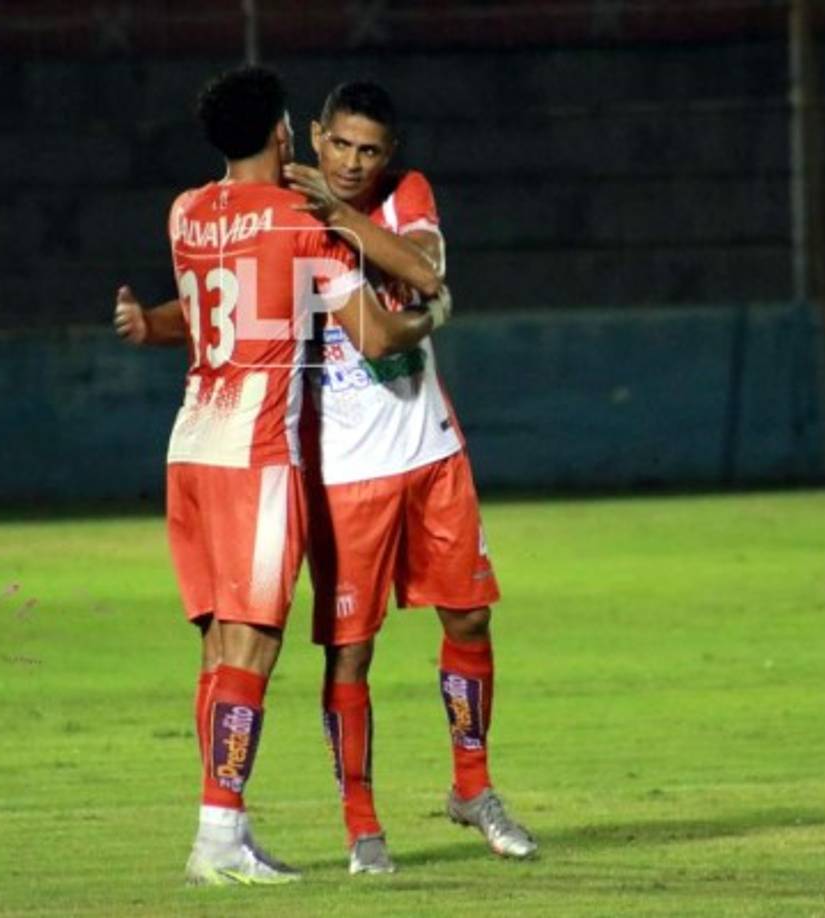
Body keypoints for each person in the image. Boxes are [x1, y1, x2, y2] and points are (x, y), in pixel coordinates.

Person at [114, 67, 447, 887]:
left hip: (191, 443)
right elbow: (375, 336)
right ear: (281, 136)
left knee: (219, 648)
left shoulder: (185, 212)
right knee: (253, 647)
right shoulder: (301, 218)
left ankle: (222, 826)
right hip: (258, 451)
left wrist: (145, 323)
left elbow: (198, 315)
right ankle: (217, 840)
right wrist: (429, 308)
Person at [282, 81, 537, 874]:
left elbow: (423, 271)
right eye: (340, 145)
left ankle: (473, 788)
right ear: (315, 135)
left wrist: (340, 213)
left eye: (369, 151)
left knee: (468, 620)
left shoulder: (401, 195)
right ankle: (362, 825)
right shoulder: (279, 208)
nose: (352, 162)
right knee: (350, 653)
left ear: (387, 155)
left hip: (429, 453)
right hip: (342, 474)